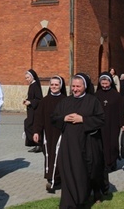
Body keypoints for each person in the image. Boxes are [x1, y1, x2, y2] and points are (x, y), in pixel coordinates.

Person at [52, 73, 105, 208]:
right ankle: (68, 204)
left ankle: (81, 199)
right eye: (73, 86)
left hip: (86, 145)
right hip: (68, 145)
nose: (75, 89)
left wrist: (83, 120)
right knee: (68, 173)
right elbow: (54, 118)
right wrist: (63, 119)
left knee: (83, 173)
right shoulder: (65, 102)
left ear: (85, 87)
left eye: (78, 86)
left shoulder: (92, 101)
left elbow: (101, 120)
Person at [32, 75, 67, 193]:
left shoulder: (65, 100)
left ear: (61, 86)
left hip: (61, 133)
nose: (54, 87)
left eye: (56, 85)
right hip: (48, 132)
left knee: (59, 155)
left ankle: (57, 179)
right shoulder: (44, 101)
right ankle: (50, 177)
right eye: (52, 84)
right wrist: (36, 131)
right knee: (49, 155)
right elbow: (38, 118)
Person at [95, 72, 124, 194]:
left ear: (110, 82)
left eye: (106, 82)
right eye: (102, 83)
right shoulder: (96, 95)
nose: (104, 85)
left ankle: (113, 162)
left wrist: (123, 124)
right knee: (102, 143)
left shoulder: (116, 95)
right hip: (101, 125)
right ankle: (105, 164)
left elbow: (120, 111)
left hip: (113, 124)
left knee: (113, 143)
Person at [23, 69, 43, 153]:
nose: (26, 79)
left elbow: (39, 99)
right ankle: (36, 144)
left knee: (29, 125)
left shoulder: (35, 86)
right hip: (31, 110)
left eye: (27, 77)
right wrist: (27, 100)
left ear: (32, 77)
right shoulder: (32, 85)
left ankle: (39, 144)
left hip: (35, 111)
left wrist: (30, 102)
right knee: (29, 125)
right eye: (26, 78)